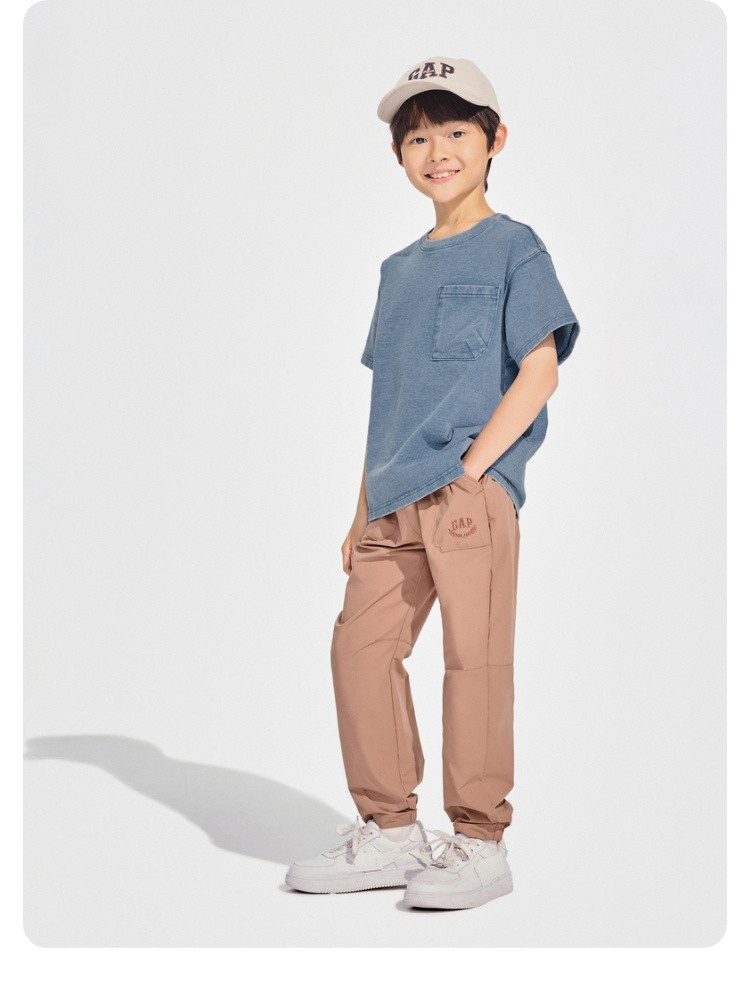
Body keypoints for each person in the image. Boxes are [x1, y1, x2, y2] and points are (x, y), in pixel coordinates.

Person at [285, 56, 581, 910]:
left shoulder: (516, 246)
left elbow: (539, 370)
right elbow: (391, 397)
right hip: (390, 496)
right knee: (359, 651)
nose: (438, 150)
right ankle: (389, 830)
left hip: (466, 495)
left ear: (495, 141)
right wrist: (360, 509)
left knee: (473, 662)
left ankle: (481, 843)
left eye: (456, 131)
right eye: (418, 138)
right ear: (399, 156)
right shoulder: (398, 270)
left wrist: (474, 470)